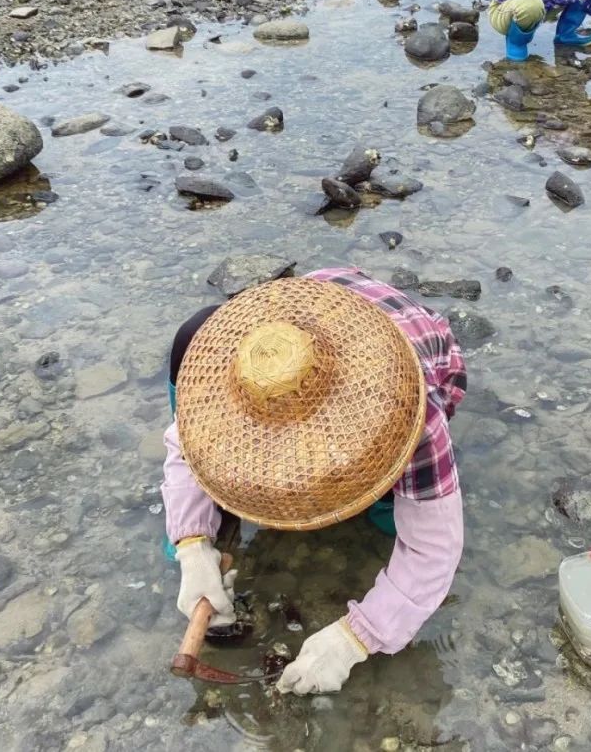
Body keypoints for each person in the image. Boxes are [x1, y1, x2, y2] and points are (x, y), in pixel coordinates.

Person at [160, 268, 467, 695]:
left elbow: (434, 550)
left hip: (414, 347)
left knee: (386, 522)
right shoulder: (229, 370)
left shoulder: (407, 413)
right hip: (313, 308)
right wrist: (191, 545)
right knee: (190, 334)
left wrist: (357, 637)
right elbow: (185, 448)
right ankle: (220, 509)